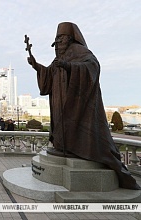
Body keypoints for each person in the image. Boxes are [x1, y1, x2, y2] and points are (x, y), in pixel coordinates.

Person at [26, 22, 140, 190]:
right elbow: (50, 75)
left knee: (74, 126)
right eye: (56, 40)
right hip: (59, 102)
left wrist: (69, 66)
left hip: (76, 104)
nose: (57, 43)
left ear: (69, 38)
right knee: (61, 127)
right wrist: (36, 65)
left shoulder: (80, 52)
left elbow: (92, 67)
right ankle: (63, 146)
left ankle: (75, 149)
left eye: (60, 39)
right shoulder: (60, 56)